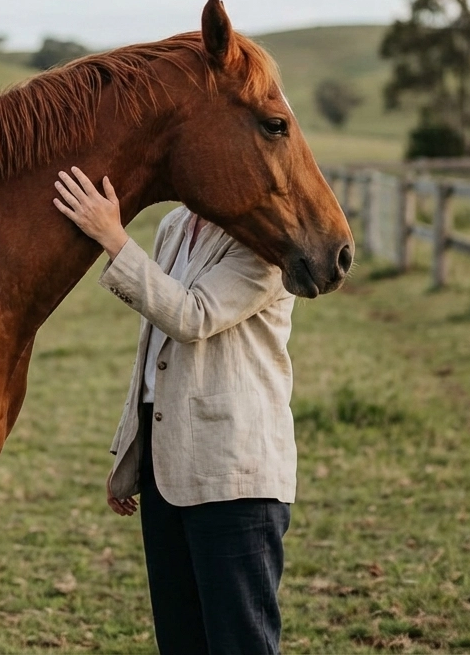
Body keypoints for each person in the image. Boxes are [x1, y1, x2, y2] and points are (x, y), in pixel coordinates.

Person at [54, 167, 297, 655]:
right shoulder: (174, 226)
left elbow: (192, 316)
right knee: (180, 640)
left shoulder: (267, 241)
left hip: (234, 476)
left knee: (238, 643)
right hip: (167, 472)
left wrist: (113, 238)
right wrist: (131, 453)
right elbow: (155, 351)